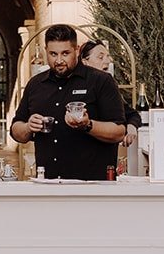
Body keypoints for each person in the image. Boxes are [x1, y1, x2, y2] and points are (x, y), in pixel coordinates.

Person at [10, 24, 126, 180]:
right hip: (48, 185)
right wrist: (28, 127)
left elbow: (119, 132)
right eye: (53, 54)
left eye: (65, 53)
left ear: (77, 50)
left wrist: (88, 125)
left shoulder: (101, 81)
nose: (59, 60)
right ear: (46, 51)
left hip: (92, 186)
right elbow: (16, 130)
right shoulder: (35, 84)